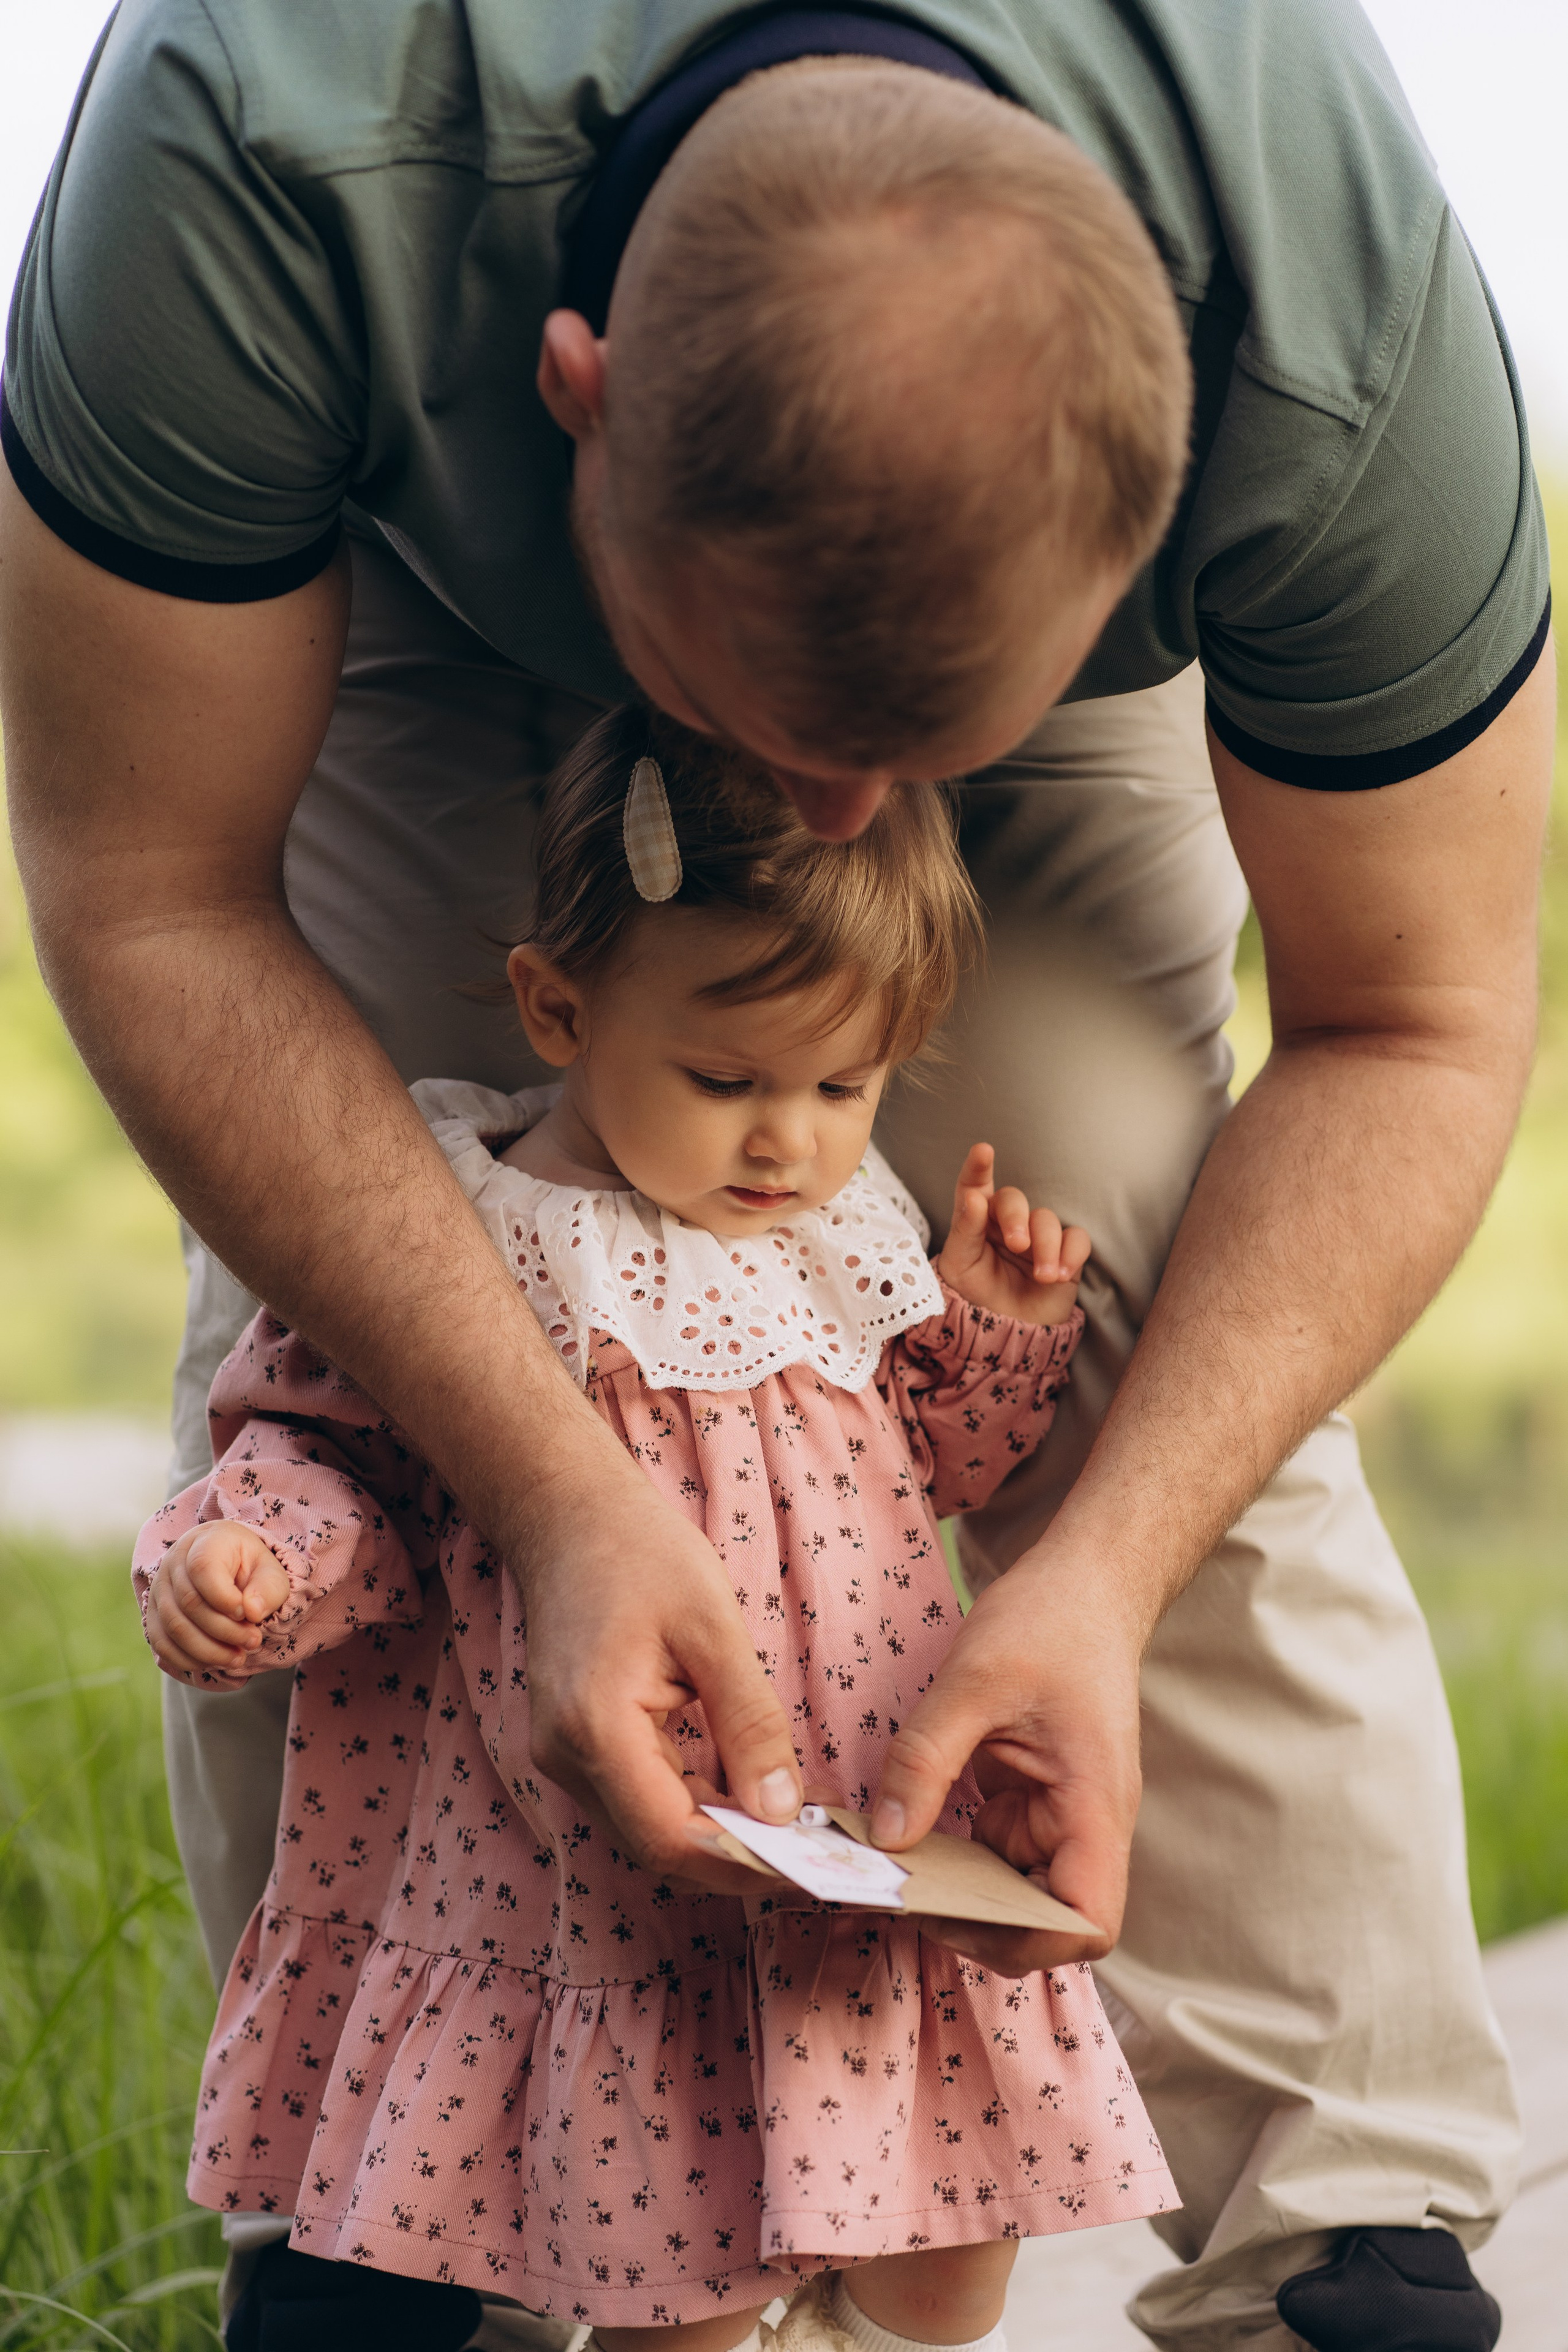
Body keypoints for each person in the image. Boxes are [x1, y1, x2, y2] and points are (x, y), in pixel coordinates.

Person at [0, 6, 1550, 2346]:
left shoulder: (1326, 337)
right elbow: (154, 896)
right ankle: (394, 2234)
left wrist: (1101, 1565)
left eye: (914, 754)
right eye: (793, 736)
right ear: (579, 391)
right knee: (378, 1267)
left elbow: (1415, 1026)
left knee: (1135, 1232)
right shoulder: (258, 142)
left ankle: (1348, 2245)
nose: (838, 822)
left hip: (983, 608)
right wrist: (547, 1486)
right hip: (413, 576)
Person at [134, 715, 1177, 2351]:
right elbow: (339, 1460)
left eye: (843, 1086)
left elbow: (929, 1471)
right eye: (726, 1080)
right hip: (612, 1873)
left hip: (866, 1840)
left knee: (948, 2263)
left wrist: (996, 1329)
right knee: (678, 2279)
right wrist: (254, 1558)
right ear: (560, 1008)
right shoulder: (465, 1233)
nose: (788, 1139)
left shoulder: (841, 1232)